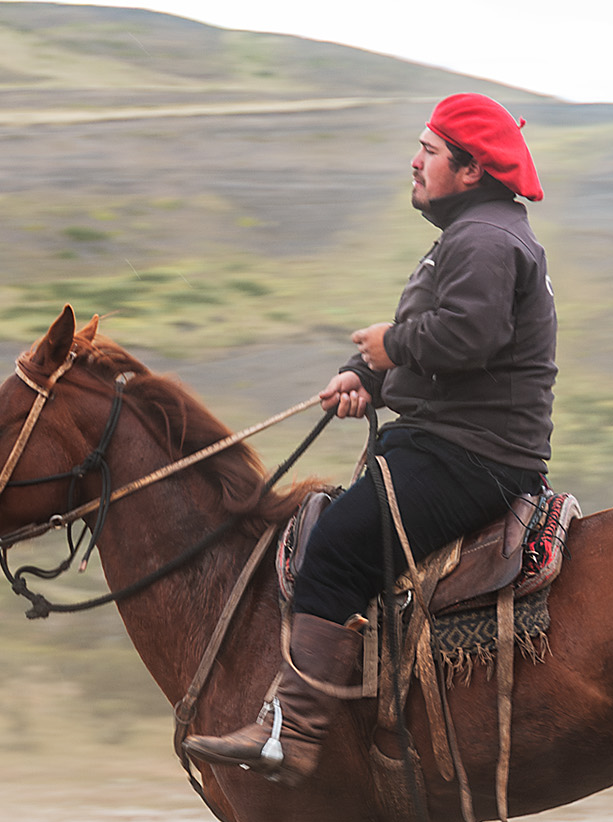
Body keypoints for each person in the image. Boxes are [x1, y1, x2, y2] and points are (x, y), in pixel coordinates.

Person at [185, 92, 557, 785]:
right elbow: (443, 355)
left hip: (470, 455)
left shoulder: (483, 241)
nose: (414, 162)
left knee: (335, 550)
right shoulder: (475, 235)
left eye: (430, 150)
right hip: (453, 440)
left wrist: (388, 348)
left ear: (471, 169)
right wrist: (366, 376)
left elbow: (468, 339)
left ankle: (292, 737)